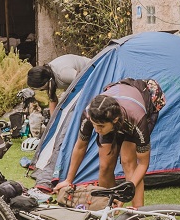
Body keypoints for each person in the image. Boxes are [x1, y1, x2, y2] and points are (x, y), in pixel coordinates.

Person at [53, 77, 163, 207]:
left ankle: (137, 215)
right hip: (117, 105)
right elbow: (80, 146)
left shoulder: (137, 119)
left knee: (128, 162)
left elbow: (143, 164)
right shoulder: (90, 114)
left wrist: (128, 187)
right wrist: (68, 180)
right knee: (105, 165)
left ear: (115, 121)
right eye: (95, 126)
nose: (97, 130)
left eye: (100, 126)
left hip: (145, 101)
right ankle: (107, 208)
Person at [27, 54, 92, 115]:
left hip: (95, 74)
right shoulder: (48, 74)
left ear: (43, 84)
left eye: (40, 89)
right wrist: (53, 123)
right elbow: (52, 99)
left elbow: (84, 81)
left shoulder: (62, 74)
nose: (41, 90)